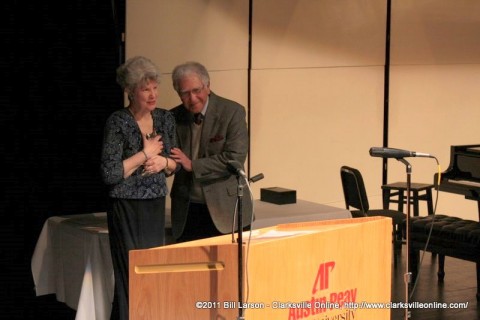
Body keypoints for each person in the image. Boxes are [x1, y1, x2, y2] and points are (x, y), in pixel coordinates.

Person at [100, 56, 177, 320]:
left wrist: (163, 160)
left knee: (152, 271)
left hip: (154, 204)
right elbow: (110, 173)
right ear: (131, 91)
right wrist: (145, 154)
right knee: (130, 274)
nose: (153, 94)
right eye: (146, 89)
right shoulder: (118, 121)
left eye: (155, 87)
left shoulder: (166, 119)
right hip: (126, 206)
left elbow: (175, 164)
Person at [169, 61, 252, 243]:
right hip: (187, 209)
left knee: (228, 269)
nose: (192, 98)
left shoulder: (232, 112)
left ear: (207, 86)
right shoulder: (173, 117)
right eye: (185, 93)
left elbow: (235, 158)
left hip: (226, 208)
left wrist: (193, 165)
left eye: (196, 90)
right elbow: (170, 157)